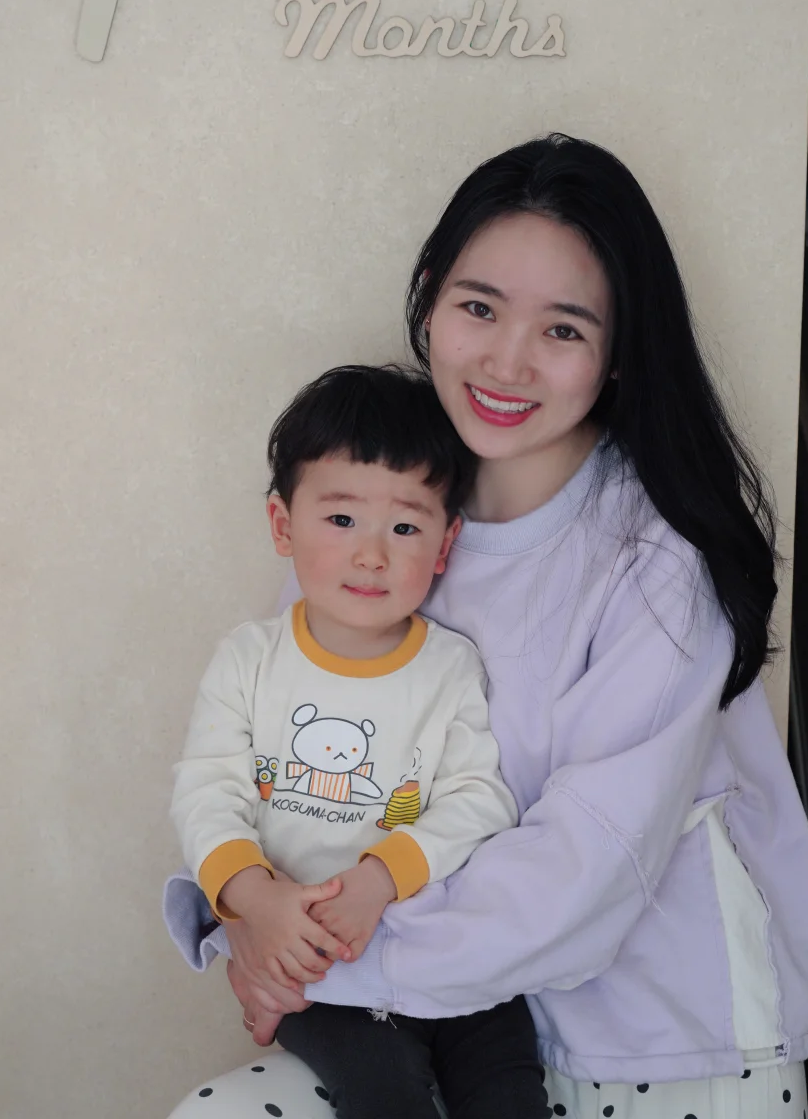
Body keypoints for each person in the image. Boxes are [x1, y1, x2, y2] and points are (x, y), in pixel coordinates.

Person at [165, 134, 808, 1119]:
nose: (507, 361)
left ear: (617, 352)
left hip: (660, 1044)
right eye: (478, 307)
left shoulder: (656, 564)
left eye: (562, 328)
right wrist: (244, 913)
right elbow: (264, 753)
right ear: (429, 299)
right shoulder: (389, 508)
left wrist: (311, 957)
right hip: (431, 1026)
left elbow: (583, 874)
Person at [170, 364, 547, 1119]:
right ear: (284, 525)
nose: (373, 554)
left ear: (445, 544)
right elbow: (206, 792)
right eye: (341, 520)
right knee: (383, 1093)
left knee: (509, 1089)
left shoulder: (450, 667)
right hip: (321, 974)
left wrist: (379, 879)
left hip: (441, 950)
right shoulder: (249, 660)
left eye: (405, 528)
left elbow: (479, 799)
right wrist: (256, 900)